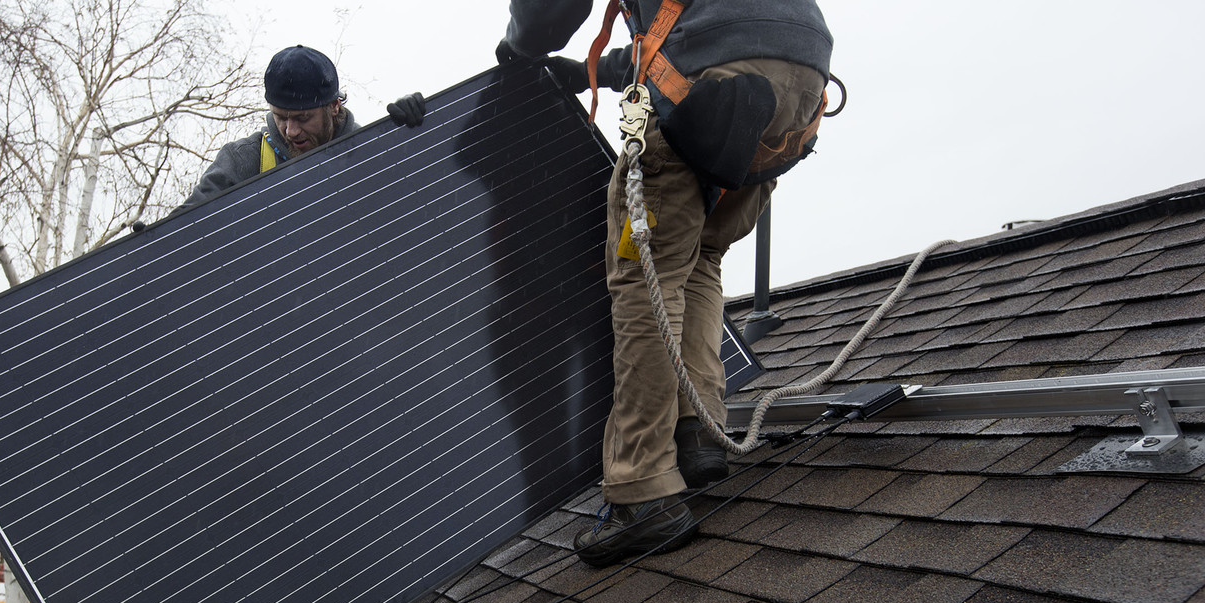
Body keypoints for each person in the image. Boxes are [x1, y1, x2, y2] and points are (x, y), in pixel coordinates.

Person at [498, 1, 833, 566]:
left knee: (643, 271)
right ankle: (700, 431)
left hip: (710, 86)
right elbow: (678, 40)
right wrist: (586, 74)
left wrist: (521, 49)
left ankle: (644, 489)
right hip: (797, 91)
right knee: (699, 252)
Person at [180, 45, 427, 210]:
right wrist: (155, 241)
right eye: (280, 117)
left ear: (334, 106)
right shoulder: (243, 161)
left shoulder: (370, 152)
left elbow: (420, 205)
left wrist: (412, 136)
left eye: (302, 118)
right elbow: (186, 231)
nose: (290, 131)